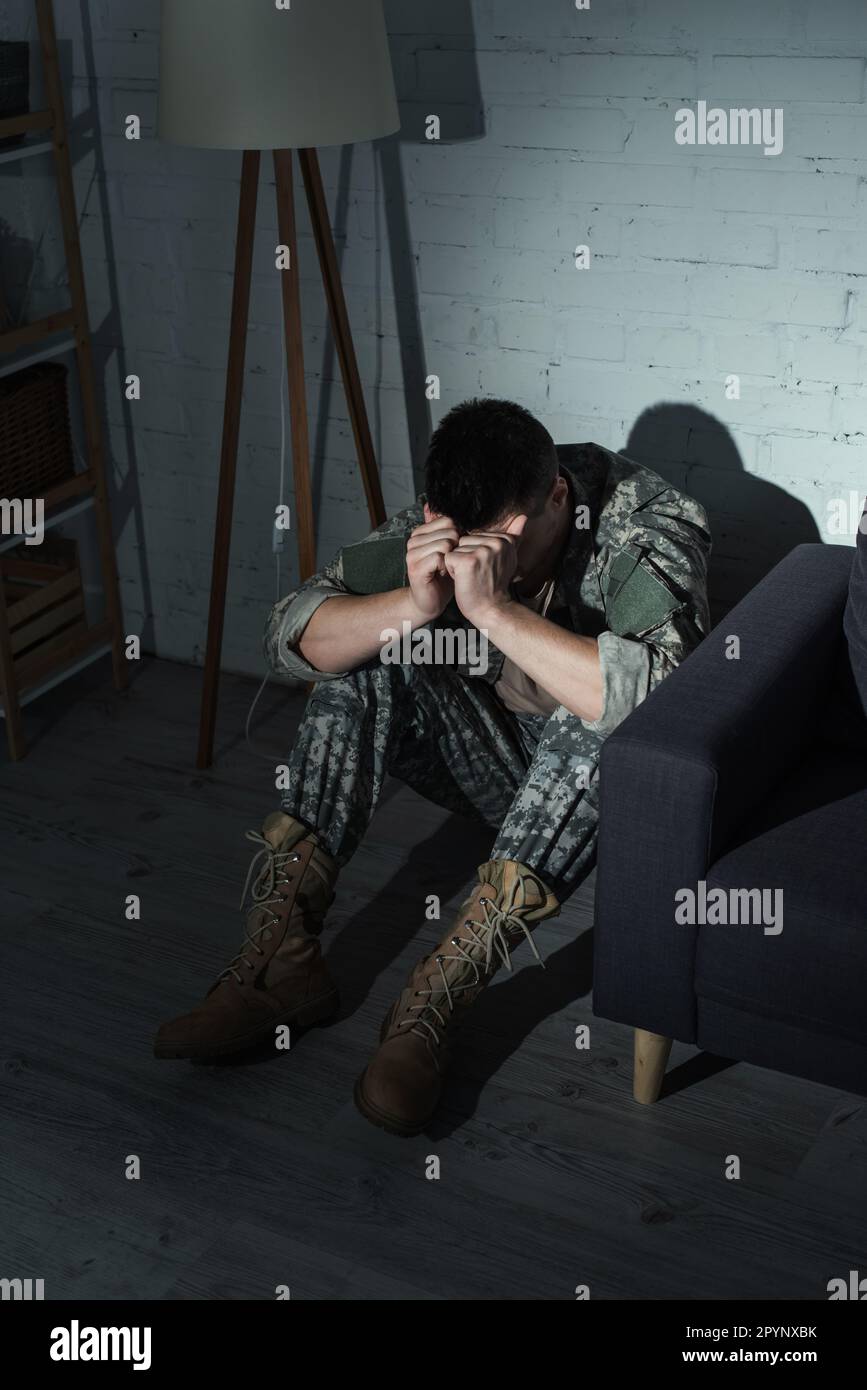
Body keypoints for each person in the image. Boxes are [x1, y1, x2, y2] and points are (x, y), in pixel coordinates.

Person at [155, 398, 711, 1136]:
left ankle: (433, 1003)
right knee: (364, 655)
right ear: (435, 511)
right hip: (494, 765)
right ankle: (280, 967)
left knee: (604, 727)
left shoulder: (647, 524)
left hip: (600, 798)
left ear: (556, 497)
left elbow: (662, 702)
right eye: (468, 544)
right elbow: (289, 634)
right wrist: (412, 605)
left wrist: (493, 612)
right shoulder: (443, 523)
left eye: (510, 543)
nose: (492, 561)